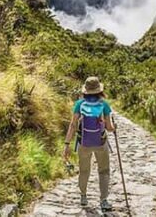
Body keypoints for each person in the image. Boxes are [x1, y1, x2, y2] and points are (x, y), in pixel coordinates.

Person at [63, 76, 116, 211]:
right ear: (99, 90)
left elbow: (73, 125)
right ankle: (103, 200)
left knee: (84, 170)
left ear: (85, 90)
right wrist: (114, 127)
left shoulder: (79, 104)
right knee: (103, 171)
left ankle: (83, 196)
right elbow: (109, 127)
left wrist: (67, 144)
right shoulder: (104, 104)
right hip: (100, 143)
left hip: (84, 143)